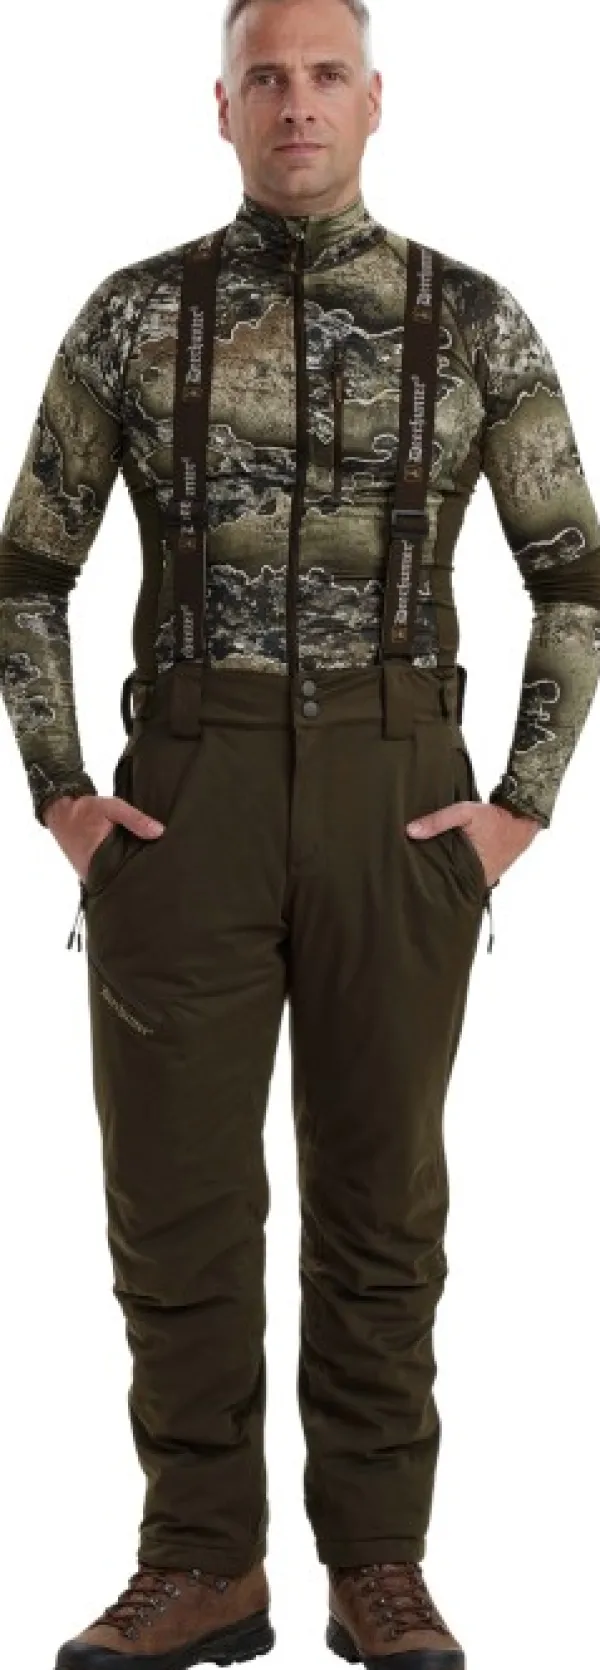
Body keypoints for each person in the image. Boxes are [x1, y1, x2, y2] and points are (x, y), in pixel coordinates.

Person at [2, 0, 599, 1665]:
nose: (296, 103)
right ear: (222, 107)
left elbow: (576, 579)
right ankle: (203, 1559)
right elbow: (26, 575)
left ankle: (379, 1564)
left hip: (396, 794)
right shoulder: (135, 316)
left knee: (382, 1203)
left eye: (325, 74)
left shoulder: (473, 320)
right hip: (183, 794)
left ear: (375, 99)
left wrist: (517, 809)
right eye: (264, 76)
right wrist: (63, 792)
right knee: (175, 1202)